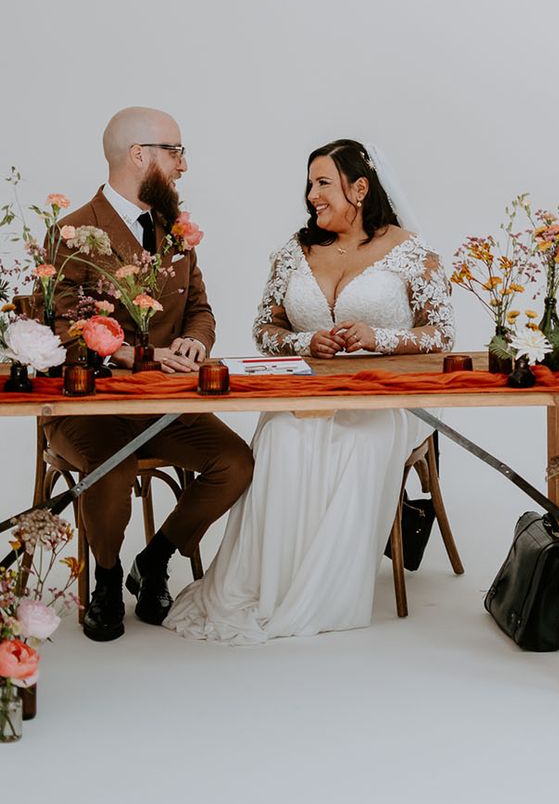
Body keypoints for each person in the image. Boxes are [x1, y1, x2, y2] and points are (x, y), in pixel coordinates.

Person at [164, 138, 454, 643]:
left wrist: (377, 338)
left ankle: (323, 589)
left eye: (324, 183)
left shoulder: (413, 253)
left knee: (358, 444)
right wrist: (305, 341)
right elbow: (264, 329)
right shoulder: (292, 252)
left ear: (359, 188)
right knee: (279, 438)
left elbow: (442, 333)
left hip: (384, 398)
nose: (312, 194)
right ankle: (272, 584)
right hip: (308, 395)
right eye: (310, 183)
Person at [45, 106, 254, 642]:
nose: (183, 165)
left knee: (235, 462)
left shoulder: (175, 230)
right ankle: (109, 580)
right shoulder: (72, 231)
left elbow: (201, 309)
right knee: (111, 468)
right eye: (175, 150)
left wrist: (195, 340)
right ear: (140, 155)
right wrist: (140, 357)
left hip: (166, 404)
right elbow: (69, 320)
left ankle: (154, 559)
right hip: (90, 404)